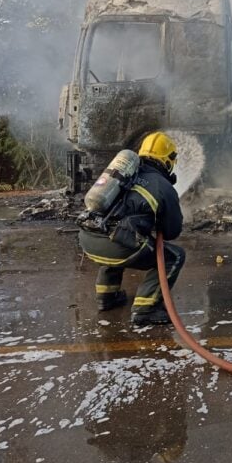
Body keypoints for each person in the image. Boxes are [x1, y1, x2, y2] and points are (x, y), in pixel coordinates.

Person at [78, 131, 186, 326]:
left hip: (87, 239)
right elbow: (172, 232)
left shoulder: (124, 173)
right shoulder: (163, 186)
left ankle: (107, 297)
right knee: (174, 256)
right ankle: (146, 308)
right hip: (115, 247)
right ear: (168, 160)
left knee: (116, 232)